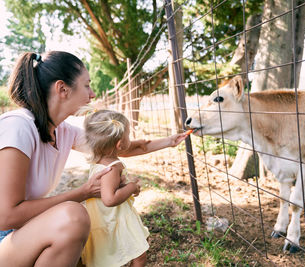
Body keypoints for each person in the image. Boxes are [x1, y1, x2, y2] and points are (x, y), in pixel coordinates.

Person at [0, 51, 187, 267]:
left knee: (85, 236)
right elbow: (6, 216)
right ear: (63, 89)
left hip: (20, 234)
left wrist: (170, 141)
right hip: (5, 237)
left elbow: (115, 148)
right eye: (87, 85)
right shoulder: (18, 127)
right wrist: (83, 192)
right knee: (73, 217)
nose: (93, 94)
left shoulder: (61, 131)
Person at [79, 108, 172, 267]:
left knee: (137, 245)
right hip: (116, 218)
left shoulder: (99, 161)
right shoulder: (113, 167)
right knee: (139, 256)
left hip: (108, 218)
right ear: (119, 144)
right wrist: (132, 186)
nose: (130, 138)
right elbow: (109, 199)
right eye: (128, 135)